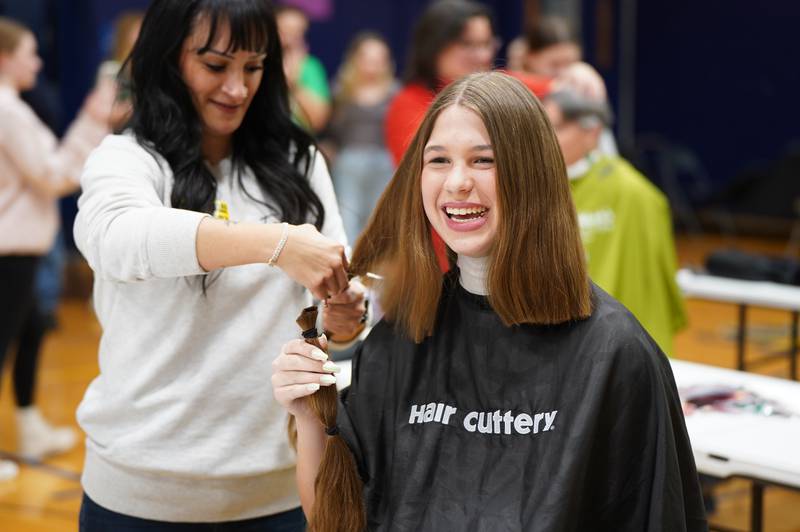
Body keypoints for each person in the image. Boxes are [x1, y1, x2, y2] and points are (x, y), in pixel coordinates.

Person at [273, 72, 707, 531]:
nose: (457, 183)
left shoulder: (615, 354)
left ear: (531, 173)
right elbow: (336, 516)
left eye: (484, 161)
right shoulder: (402, 337)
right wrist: (308, 415)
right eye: (438, 160)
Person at [72, 0, 364, 529]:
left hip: (280, 490)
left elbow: (334, 302)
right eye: (214, 66)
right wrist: (276, 243)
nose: (237, 88)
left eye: (253, 67)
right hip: (140, 495)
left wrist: (345, 317)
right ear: (168, 60)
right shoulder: (127, 159)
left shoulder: (299, 163)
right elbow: (118, 238)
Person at [0, 17, 112, 481]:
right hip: (11, 248)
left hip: (22, 245)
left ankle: (29, 427)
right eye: (30, 52)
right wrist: (94, 118)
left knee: (31, 331)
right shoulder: (7, 109)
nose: (38, 61)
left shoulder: (14, 107)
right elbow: (52, 174)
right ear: (5, 58)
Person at [385, 0, 550, 271]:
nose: (482, 55)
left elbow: (552, 85)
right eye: (468, 45)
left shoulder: (499, 91)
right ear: (436, 44)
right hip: (438, 264)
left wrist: (578, 76)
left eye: (486, 44)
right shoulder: (408, 104)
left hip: (498, 260)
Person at [543, 81, 687, 356]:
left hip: (618, 336)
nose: (545, 138)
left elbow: (653, 280)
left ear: (591, 132)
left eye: (557, 128)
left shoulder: (634, 193)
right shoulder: (541, 186)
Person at [324, 32, 398, 243]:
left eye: (379, 60)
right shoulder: (341, 91)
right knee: (348, 213)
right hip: (348, 162)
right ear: (355, 60)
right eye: (367, 58)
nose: (372, 66)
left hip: (384, 162)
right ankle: (349, 263)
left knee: (380, 216)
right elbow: (330, 129)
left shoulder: (394, 92)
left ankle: (375, 264)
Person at [276, 4, 331, 132]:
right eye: (285, 30)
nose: (290, 38)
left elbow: (318, 121)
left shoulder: (311, 67)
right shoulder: (258, 62)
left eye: (297, 32)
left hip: (299, 140)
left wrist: (293, 81)